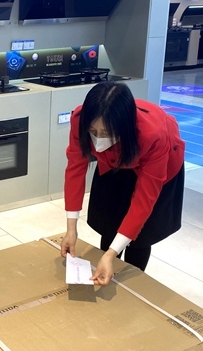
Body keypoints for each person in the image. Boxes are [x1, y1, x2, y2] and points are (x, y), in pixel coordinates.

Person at [60, 81, 185, 286]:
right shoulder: (80, 118)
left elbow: (144, 199)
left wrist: (111, 254)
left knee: (140, 236)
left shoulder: (153, 135)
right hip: (113, 161)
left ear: (123, 128)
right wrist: (71, 229)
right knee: (109, 221)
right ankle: (106, 263)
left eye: (106, 133)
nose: (98, 139)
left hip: (157, 164)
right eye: (93, 131)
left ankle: (129, 282)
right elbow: (75, 168)